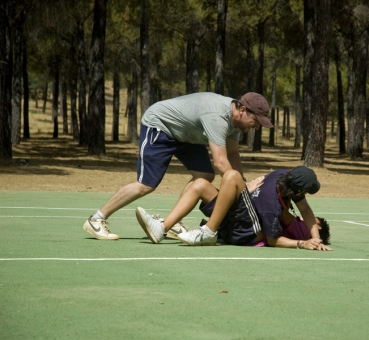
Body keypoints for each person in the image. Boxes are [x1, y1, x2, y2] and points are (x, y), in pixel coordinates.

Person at [83, 92, 272, 240]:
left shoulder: (235, 123)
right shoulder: (218, 117)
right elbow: (221, 163)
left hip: (188, 134)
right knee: (146, 184)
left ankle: (171, 222)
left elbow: (231, 153)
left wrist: (242, 183)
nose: (256, 127)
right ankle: (97, 218)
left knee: (205, 175)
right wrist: (242, 188)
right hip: (162, 125)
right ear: (242, 110)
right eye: (255, 121)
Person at [135, 166, 332, 251]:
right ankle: (162, 228)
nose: (313, 219)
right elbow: (306, 211)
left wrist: (306, 242)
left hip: (247, 232)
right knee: (201, 184)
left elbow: (273, 239)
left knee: (232, 176)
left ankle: (208, 232)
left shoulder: (277, 208)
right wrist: (247, 189)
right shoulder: (282, 181)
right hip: (242, 217)